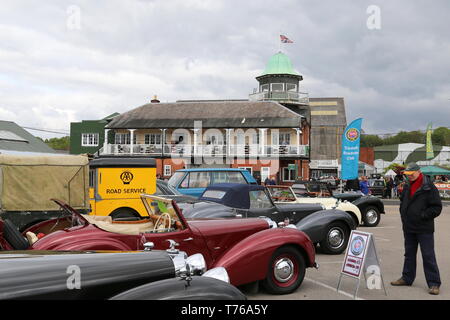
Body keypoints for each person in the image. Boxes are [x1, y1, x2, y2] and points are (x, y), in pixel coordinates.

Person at [391, 162, 442, 295]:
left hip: (424, 228)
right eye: (407, 175)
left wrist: (423, 215)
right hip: (409, 227)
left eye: (411, 174)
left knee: (428, 256)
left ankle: (434, 283)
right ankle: (407, 278)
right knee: (409, 254)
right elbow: (403, 201)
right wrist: (403, 215)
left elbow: (437, 207)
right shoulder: (408, 185)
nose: (409, 177)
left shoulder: (429, 186)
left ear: (419, 172)